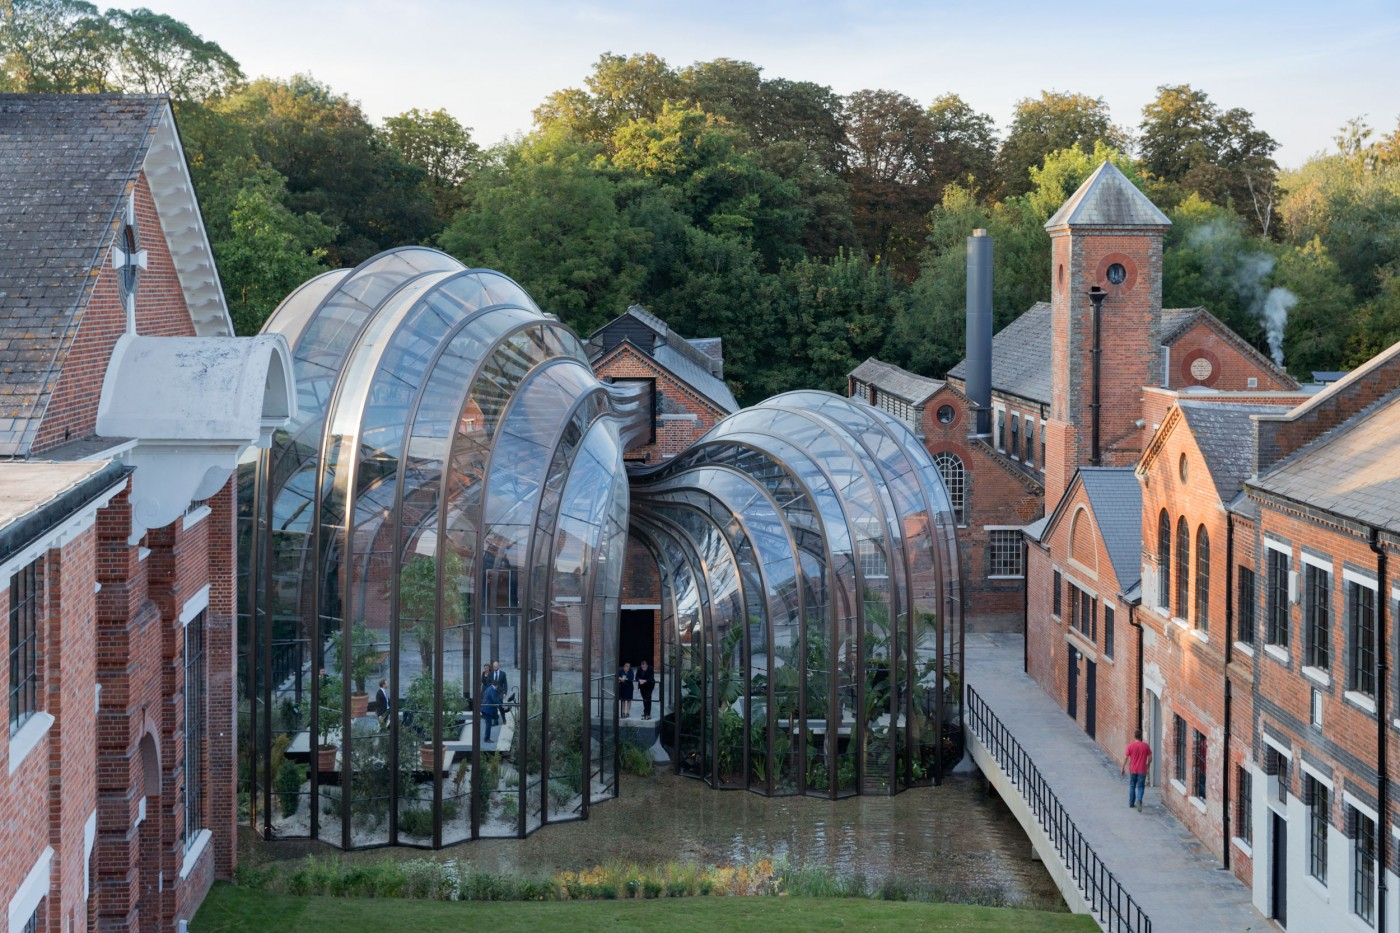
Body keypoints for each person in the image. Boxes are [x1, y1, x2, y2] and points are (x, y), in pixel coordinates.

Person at [1122, 729, 1152, 810]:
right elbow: (1150, 757)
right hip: (1142, 769)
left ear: (1134, 736)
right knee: (1141, 786)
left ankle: (1131, 803)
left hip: (1133, 769)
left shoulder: (1130, 746)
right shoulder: (1146, 746)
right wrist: (1148, 764)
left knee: (1132, 785)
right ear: (1141, 736)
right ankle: (1139, 799)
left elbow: (1125, 758)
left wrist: (1123, 767)